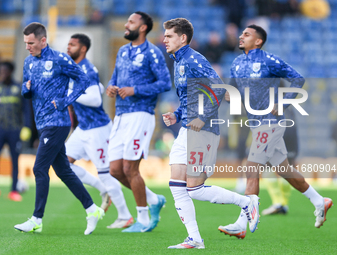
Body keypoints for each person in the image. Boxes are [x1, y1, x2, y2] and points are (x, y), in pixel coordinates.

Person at [219, 24, 333, 239]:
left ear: (258, 41)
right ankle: (320, 201)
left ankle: (241, 223)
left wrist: (283, 104)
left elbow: (298, 79)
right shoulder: (236, 62)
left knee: (252, 169)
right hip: (255, 123)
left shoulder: (269, 60)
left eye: (247, 34)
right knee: (285, 171)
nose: (241, 36)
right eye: (241, 33)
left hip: (271, 122)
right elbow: (233, 89)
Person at [162, 18, 259, 249]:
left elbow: (219, 90)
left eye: (169, 36)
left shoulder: (194, 59)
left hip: (202, 129)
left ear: (182, 38)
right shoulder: (178, 60)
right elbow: (190, 96)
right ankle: (194, 238)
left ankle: (247, 203)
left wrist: (202, 117)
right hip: (186, 127)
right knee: (177, 185)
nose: (164, 39)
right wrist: (176, 114)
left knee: (194, 189)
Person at [14, 22, 104, 235]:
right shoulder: (28, 62)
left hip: (58, 123)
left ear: (43, 40)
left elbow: (83, 80)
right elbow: (26, 89)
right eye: (25, 43)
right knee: (64, 171)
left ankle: (36, 219)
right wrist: (25, 89)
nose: (27, 47)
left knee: (39, 168)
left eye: (31, 43)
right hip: (42, 123)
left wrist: (66, 100)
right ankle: (92, 209)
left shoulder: (59, 59)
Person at [106, 11, 171, 232]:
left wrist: (136, 90)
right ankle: (154, 199)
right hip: (121, 115)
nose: (126, 24)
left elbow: (164, 83)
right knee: (115, 170)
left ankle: (143, 219)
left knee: (129, 168)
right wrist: (111, 87)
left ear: (142, 28)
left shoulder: (152, 53)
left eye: (131, 22)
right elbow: (114, 77)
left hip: (141, 114)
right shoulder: (123, 51)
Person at [66, 33, 134, 228]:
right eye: (68, 44)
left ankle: (125, 216)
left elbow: (96, 99)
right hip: (84, 128)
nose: (68, 47)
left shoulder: (86, 69)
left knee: (107, 173)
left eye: (73, 45)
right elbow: (98, 88)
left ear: (83, 49)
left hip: (98, 129)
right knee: (62, 162)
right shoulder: (76, 69)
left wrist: (71, 95)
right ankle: (101, 188)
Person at [0, 61, 32, 201]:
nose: (2, 74)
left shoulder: (19, 88)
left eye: (5, 71)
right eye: (0, 71)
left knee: (15, 160)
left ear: (10, 72)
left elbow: (27, 110)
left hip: (15, 130)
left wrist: (27, 127)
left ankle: (13, 190)